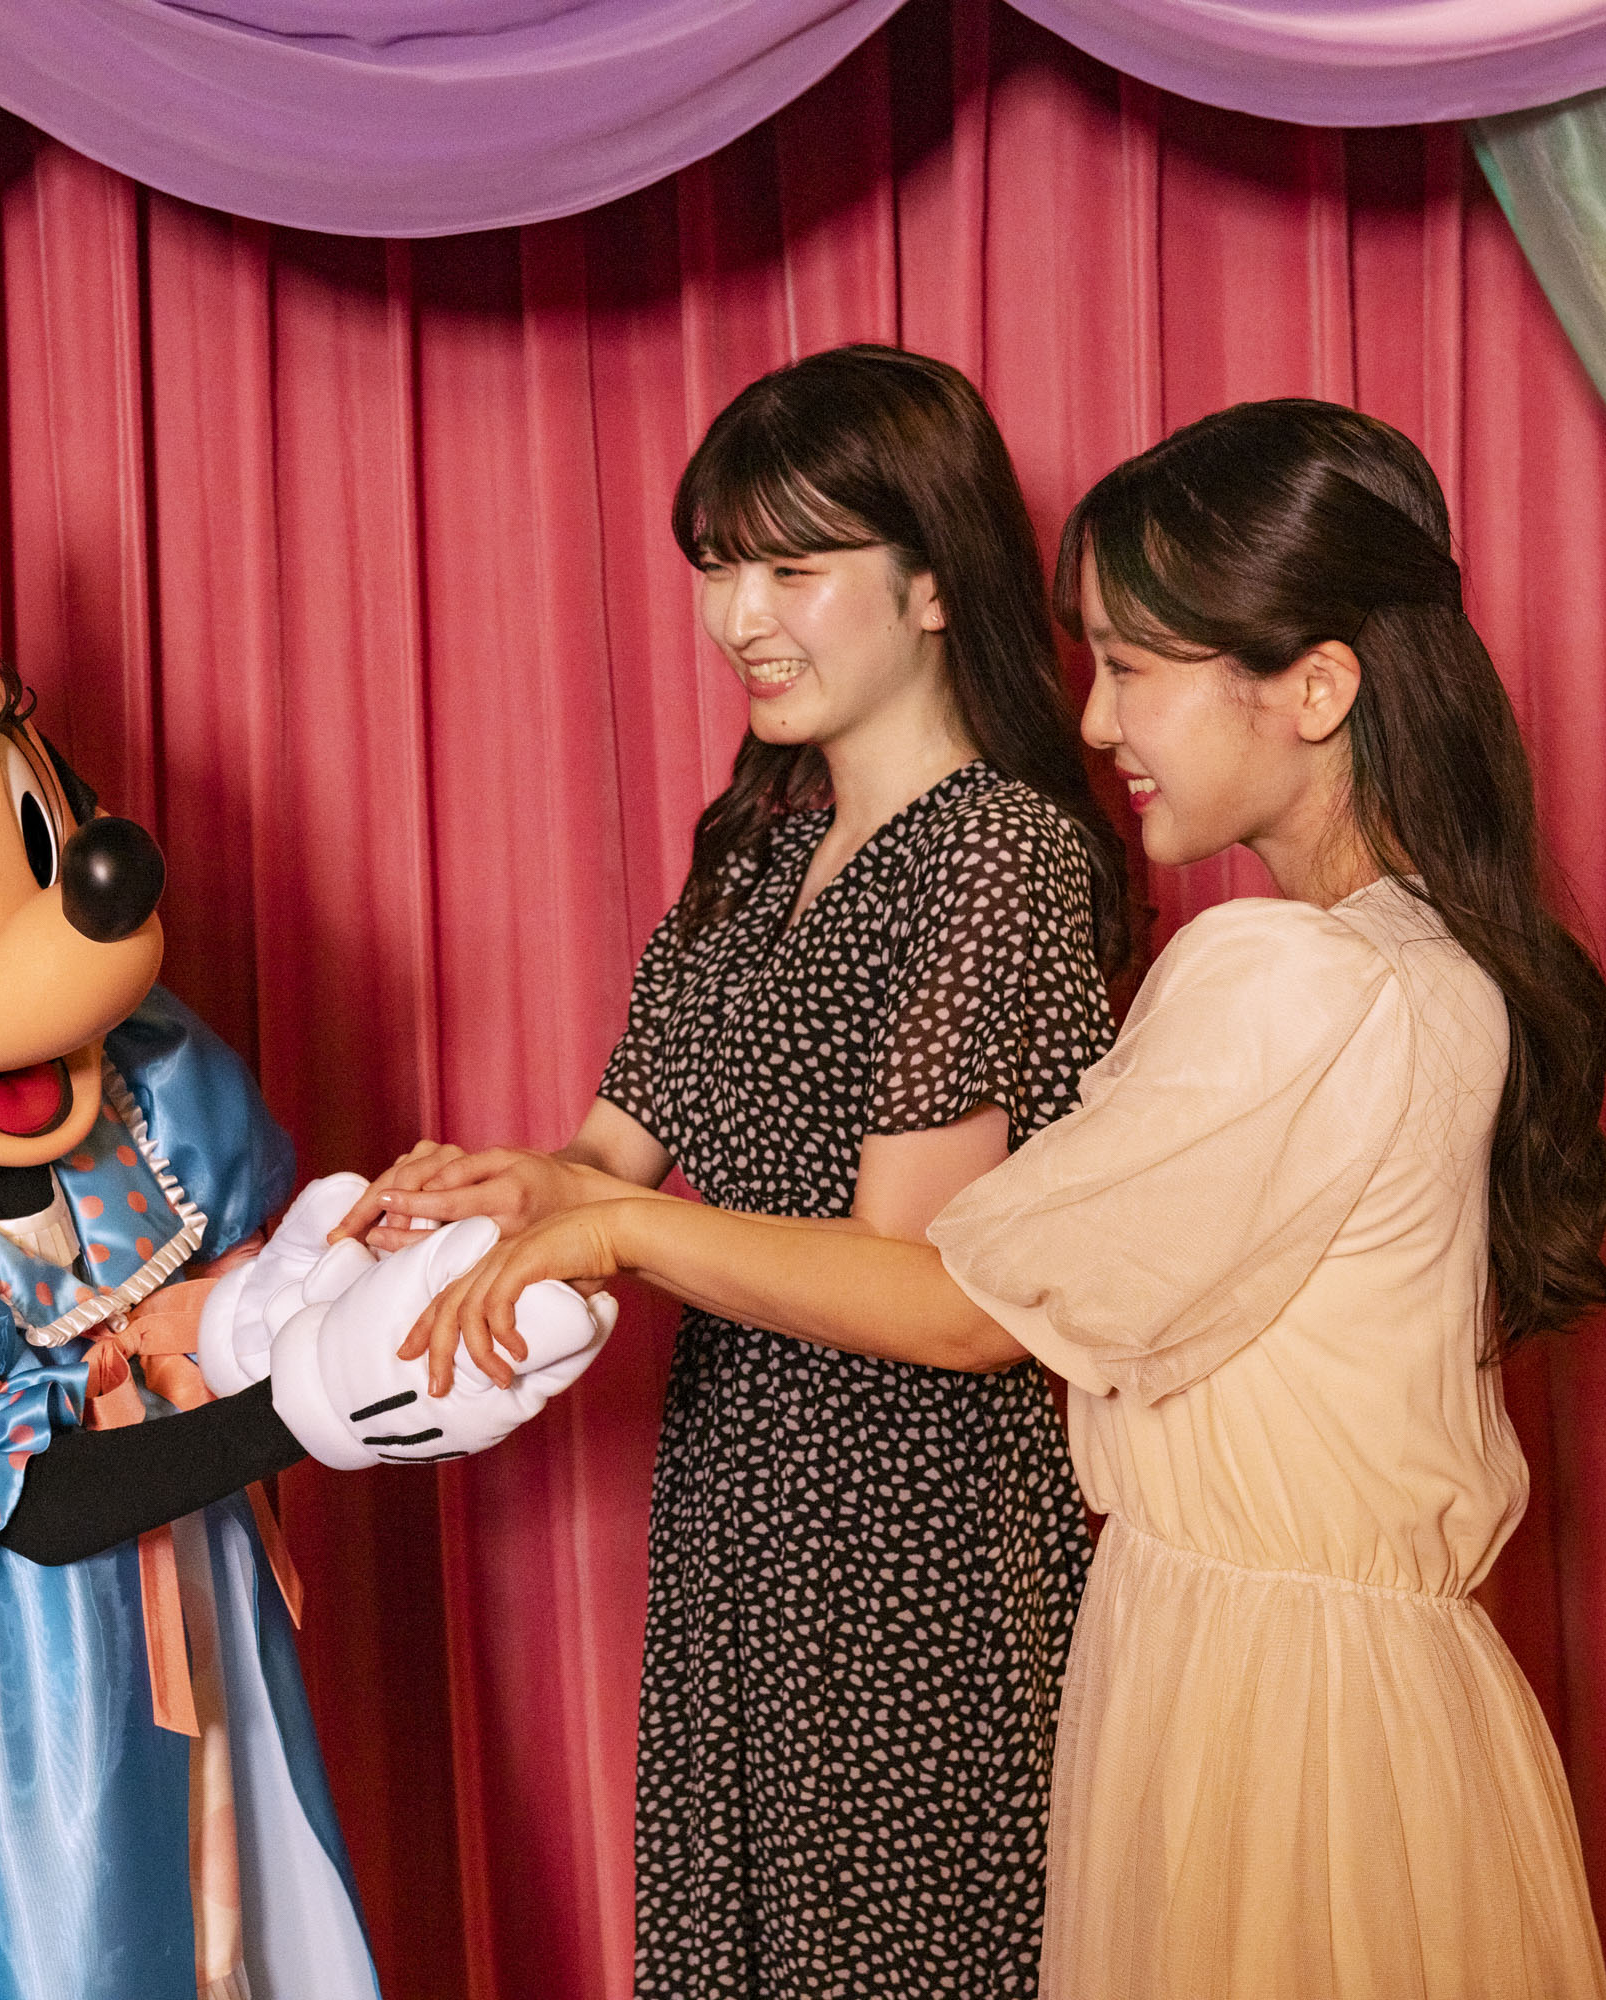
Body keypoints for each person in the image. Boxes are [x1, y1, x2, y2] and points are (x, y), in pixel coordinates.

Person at [413, 398, 1606, 1999]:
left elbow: (958, 1299)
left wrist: (623, 1229)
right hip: (1335, 1669)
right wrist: (552, 1197)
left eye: (1132, 667)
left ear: (1318, 688)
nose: (1099, 719)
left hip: (1220, 1670)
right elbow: (644, 1151)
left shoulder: (1262, 964)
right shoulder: (1414, 959)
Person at [340, 345, 1132, 1996]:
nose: (737, 616)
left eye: (794, 568)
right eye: (717, 566)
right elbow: (610, 1151)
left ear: (934, 582)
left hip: (913, 1543)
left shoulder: (997, 853)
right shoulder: (761, 846)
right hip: (743, 1507)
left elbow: (941, 1301)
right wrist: (507, 1188)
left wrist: (622, 1232)